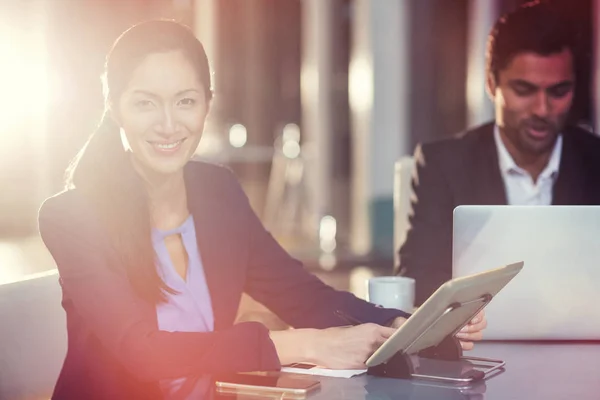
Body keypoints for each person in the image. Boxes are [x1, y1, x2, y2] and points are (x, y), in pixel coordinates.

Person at [39, 20, 486, 399]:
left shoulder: (218, 192)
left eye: (185, 101)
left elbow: (302, 294)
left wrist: (411, 325)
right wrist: (303, 345)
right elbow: (142, 352)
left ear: (208, 105)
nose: (169, 124)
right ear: (114, 108)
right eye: (145, 103)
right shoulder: (72, 217)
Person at [397, 1, 600, 305]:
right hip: (478, 344)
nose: (542, 110)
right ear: (492, 84)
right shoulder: (443, 165)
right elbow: (418, 279)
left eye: (558, 91)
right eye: (524, 90)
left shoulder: (595, 161)